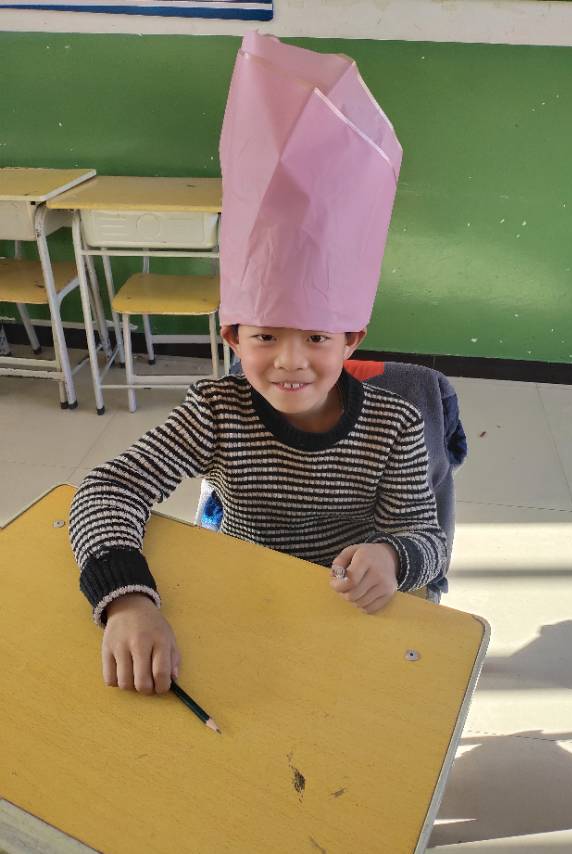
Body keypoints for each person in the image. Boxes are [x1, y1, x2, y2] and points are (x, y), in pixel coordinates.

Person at [68, 32, 448, 697]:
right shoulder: (216, 412)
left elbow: (425, 536)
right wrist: (128, 602)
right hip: (241, 600)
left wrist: (393, 557)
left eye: (317, 338)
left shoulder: (395, 426)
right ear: (232, 336)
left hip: (343, 615)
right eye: (266, 335)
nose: (290, 362)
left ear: (351, 339)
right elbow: (107, 489)